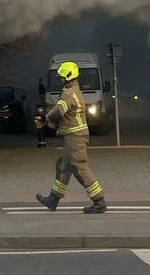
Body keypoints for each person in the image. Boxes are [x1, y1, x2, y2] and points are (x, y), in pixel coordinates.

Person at [36, 60, 107, 214]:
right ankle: (53, 199)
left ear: (68, 76)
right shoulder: (72, 91)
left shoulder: (69, 93)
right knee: (63, 165)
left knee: (80, 168)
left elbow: (58, 112)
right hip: (72, 136)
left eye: (62, 76)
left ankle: (99, 201)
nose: (60, 79)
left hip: (75, 137)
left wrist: (44, 118)